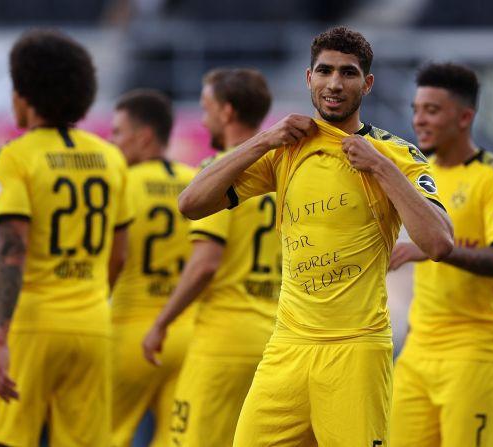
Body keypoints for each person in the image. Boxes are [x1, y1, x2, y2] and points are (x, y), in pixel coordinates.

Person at [177, 26, 454, 446]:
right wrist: (264, 139)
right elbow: (191, 203)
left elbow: (438, 243)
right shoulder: (287, 149)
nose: (335, 83)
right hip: (287, 347)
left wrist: (380, 168)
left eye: (348, 73)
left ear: (368, 83)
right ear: (309, 78)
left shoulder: (397, 154)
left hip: (355, 351)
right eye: (324, 71)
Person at [0, 29, 133, 446]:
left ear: (26, 94)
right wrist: (89, 301)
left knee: (5, 441)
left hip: (33, 324)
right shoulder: (110, 157)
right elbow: (120, 253)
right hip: (92, 323)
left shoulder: (14, 156)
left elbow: (12, 251)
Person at [142, 68, 282, 446]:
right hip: (275, 341)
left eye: (206, 108)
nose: (203, 119)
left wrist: (161, 322)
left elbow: (205, 263)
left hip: (223, 342)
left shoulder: (218, 175)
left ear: (227, 112)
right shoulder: (282, 174)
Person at [389, 63, 493, 447]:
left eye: (431, 110)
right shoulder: (420, 175)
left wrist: (436, 250)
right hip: (418, 352)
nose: (419, 120)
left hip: (475, 353)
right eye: (416, 110)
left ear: (465, 117)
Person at [109, 89, 196, 446]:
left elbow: (112, 257)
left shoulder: (120, 184)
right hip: (188, 333)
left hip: (130, 329)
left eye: (118, 132)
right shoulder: (198, 182)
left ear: (144, 136)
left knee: (104, 435)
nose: (112, 142)